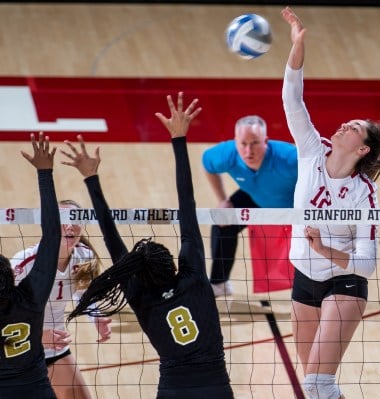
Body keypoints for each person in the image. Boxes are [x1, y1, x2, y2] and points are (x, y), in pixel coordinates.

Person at [62, 92, 234, 399]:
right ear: (173, 263)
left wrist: (91, 179)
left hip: (172, 390)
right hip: (215, 389)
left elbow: (111, 240)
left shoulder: (140, 296)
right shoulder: (194, 279)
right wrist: (179, 140)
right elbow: (187, 201)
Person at [281, 7, 380, 399]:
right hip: (303, 280)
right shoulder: (311, 152)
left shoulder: (365, 192)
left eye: (355, 128)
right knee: (312, 387)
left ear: (362, 148)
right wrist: (298, 45)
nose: (345, 124)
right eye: (348, 122)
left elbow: (367, 263)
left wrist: (324, 248)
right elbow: (291, 98)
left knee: (318, 383)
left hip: (344, 284)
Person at [11, 199, 110, 399]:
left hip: (54, 349)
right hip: (16, 351)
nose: (70, 225)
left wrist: (95, 316)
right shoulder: (23, 263)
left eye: (75, 219)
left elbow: (83, 292)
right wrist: (37, 336)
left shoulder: (85, 256)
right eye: (63, 219)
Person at [202, 114, 298, 296]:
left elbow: (318, 179)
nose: (248, 151)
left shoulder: (291, 159)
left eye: (254, 143)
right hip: (255, 197)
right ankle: (219, 283)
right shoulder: (226, 154)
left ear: (266, 141)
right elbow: (208, 165)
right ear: (235, 141)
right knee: (224, 222)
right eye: (243, 144)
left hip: (292, 207)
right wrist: (223, 200)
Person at [0, 132, 61, 398]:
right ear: (12, 275)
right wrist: (45, 174)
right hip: (36, 390)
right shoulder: (31, 298)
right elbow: (53, 236)